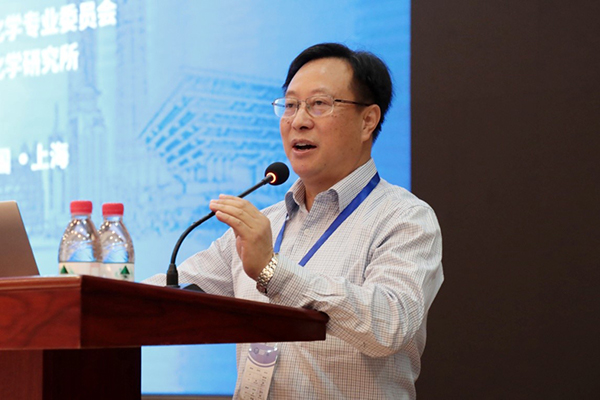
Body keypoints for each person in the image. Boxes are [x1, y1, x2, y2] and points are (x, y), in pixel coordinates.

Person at [147, 42, 443, 399]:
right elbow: (169, 295)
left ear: (368, 120)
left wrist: (272, 271)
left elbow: (388, 326)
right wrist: (95, 292)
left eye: (319, 104)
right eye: (290, 105)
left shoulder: (405, 218)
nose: (298, 120)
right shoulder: (265, 223)